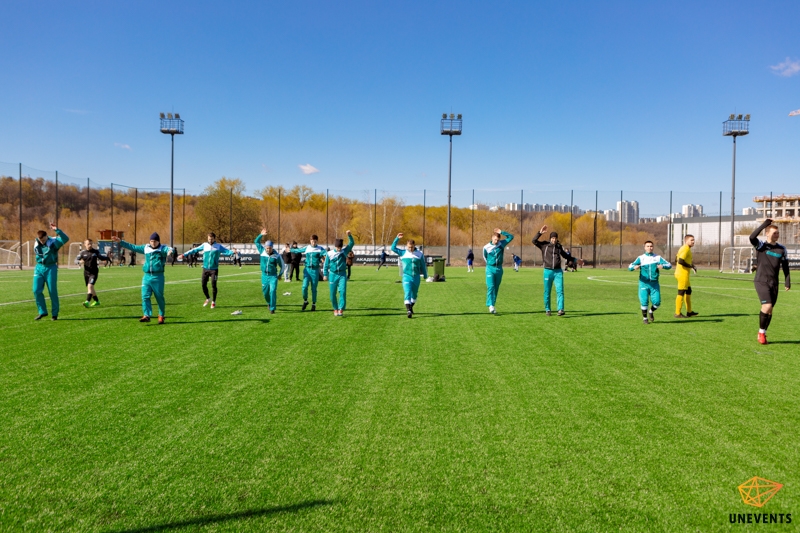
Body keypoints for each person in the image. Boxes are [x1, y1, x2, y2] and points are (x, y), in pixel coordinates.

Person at [113, 232, 174, 324]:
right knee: (145, 296)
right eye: (151, 241)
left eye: (155, 241)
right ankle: (147, 315)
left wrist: (170, 252)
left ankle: (161, 315)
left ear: (158, 241)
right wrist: (120, 241)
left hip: (158, 277)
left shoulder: (162, 248)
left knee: (159, 297)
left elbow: (169, 249)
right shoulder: (146, 248)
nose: (153, 243)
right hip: (147, 276)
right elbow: (133, 247)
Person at [749, 219, 791, 344]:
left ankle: (763, 332)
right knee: (767, 306)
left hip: (774, 282)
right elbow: (752, 237)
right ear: (767, 233)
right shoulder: (761, 246)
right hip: (761, 280)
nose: (776, 235)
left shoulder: (782, 249)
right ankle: (761, 333)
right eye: (774, 233)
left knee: (770, 309)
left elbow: (786, 266)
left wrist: (787, 281)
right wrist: (764, 225)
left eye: (777, 233)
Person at [532, 225, 584, 316]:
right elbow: (534, 241)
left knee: (560, 291)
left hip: (558, 272)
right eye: (552, 238)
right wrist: (540, 233)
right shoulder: (544, 245)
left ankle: (560, 309)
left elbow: (566, 256)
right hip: (547, 271)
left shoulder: (559, 247)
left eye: (555, 238)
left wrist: (576, 260)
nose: (554, 240)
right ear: (550, 238)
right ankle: (548, 309)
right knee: (547, 291)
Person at [178, 232, 234, 309]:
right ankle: (208, 298)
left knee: (214, 285)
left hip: (214, 269)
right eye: (209, 239)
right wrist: (184, 255)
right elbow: (194, 250)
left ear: (214, 239)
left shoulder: (218, 246)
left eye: (211, 239)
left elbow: (227, 251)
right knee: (203, 285)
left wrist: (233, 252)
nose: (210, 240)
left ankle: (213, 302)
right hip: (205, 269)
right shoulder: (204, 245)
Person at [628, 240, 672, 324]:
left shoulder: (657, 257)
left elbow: (669, 265)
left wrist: (663, 266)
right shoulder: (641, 258)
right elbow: (630, 266)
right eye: (647, 246)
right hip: (643, 283)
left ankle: (651, 311)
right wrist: (634, 267)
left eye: (651, 246)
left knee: (657, 303)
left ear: (653, 247)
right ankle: (645, 318)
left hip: (654, 284)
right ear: (644, 247)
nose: (649, 248)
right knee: (644, 301)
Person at [32, 223, 69, 320]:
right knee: (36, 290)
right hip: (39, 267)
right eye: (40, 240)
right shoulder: (37, 243)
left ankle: (54, 314)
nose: (42, 242)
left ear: (46, 236)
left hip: (51, 267)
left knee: (52, 291)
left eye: (43, 240)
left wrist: (57, 230)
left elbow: (66, 239)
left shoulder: (54, 242)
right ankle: (42, 311)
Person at [391, 232, 428, 318]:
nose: (410, 249)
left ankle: (410, 308)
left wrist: (425, 275)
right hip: (406, 276)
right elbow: (392, 248)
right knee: (407, 292)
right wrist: (397, 238)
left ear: (414, 246)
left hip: (416, 277)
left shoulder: (419, 254)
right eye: (408, 247)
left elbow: (423, 265)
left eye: (411, 247)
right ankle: (408, 311)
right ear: (406, 246)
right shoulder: (403, 253)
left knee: (414, 295)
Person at [291, 235, 327, 311]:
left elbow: (327, 254)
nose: (313, 243)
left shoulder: (320, 248)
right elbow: (298, 250)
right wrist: (290, 250)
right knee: (304, 287)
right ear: (310, 241)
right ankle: (305, 301)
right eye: (312, 241)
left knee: (314, 288)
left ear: (317, 241)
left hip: (315, 270)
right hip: (307, 270)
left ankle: (314, 304)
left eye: (315, 241)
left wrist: (325, 257)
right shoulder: (307, 248)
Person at [323, 231, 355, 316]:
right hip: (332, 275)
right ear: (335, 246)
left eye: (340, 247)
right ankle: (335, 308)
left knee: (342, 291)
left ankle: (341, 309)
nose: (339, 249)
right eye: (338, 247)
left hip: (342, 274)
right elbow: (326, 265)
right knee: (332, 293)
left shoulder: (344, 251)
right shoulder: (329, 254)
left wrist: (349, 235)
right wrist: (325, 274)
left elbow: (352, 243)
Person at [483, 229, 514, 314]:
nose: (496, 241)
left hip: (499, 269)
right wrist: (490, 264)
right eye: (495, 239)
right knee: (491, 286)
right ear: (492, 238)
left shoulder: (501, 244)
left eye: (498, 240)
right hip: (490, 268)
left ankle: (493, 305)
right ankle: (490, 305)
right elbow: (485, 257)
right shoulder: (486, 247)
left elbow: (511, 237)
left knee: (496, 288)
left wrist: (501, 232)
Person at [254, 230, 285, 314]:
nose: (268, 249)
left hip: (273, 276)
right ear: (265, 247)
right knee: (265, 293)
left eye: (270, 248)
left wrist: (280, 275)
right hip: (264, 276)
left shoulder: (276, 255)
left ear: (272, 248)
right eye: (267, 248)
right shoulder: (262, 251)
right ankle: (269, 303)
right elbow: (256, 241)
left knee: (273, 291)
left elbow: (282, 266)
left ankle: (272, 308)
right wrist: (261, 235)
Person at [77, 239, 111, 308]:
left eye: (91, 244)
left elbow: (101, 257)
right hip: (86, 272)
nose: (90, 245)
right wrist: (79, 262)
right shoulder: (82, 253)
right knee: (91, 288)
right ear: (85, 244)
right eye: (88, 244)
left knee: (90, 286)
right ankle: (96, 301)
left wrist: (107, 258)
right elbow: (76, 260)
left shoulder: (95, 251)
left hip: (94, 272)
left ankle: (87, 302)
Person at [674, 234, 698, 318]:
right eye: (691, 240)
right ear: (686, 241)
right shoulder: (685, 249)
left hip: (682, 273)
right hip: (682, 274)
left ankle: (689, 312)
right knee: (681, 292)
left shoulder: (684, 248)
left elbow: (676, 259)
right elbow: (680, 261)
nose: (693, 241)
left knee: (688, 291)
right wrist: (690, 266)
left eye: (693, 240)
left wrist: (692, 266)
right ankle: (677, 313)